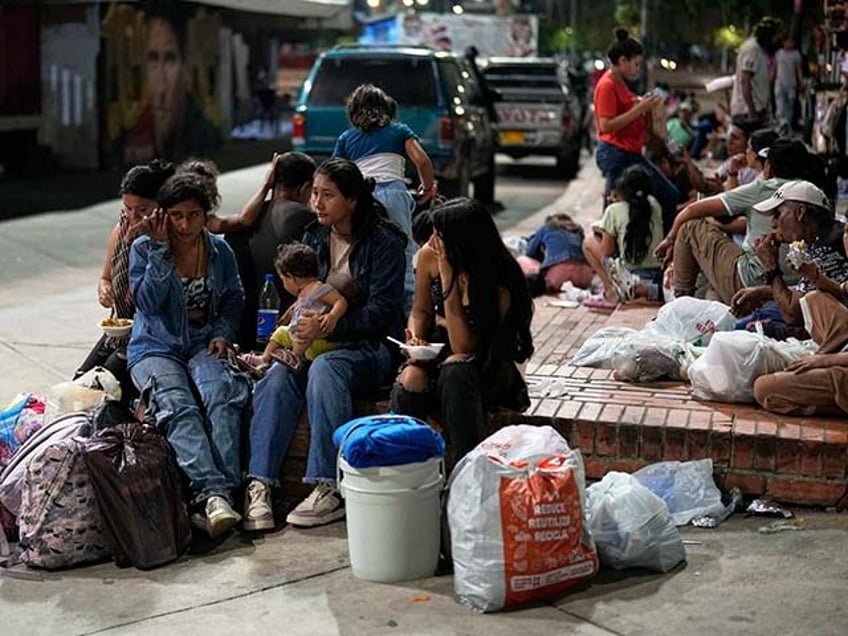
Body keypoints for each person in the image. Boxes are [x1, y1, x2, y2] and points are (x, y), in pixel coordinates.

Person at [243, 159, 405, 532]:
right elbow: (304, 295)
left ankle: (327, 486)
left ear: (352, 200)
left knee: (325, 368)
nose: (317, 202)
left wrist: (327, 330)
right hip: (317, 343)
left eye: (328, 195)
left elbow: (382, 314)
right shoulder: (314, 236)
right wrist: (296, 330)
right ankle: (260, 484)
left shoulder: (384, 243)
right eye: (314, 193)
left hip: (369, 347)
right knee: (279, 374)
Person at [127, 171, 250, 539]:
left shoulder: (219, 250)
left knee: (221, 394)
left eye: (193, 215)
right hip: (154, 346)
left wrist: (223, 333)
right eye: (177, 215)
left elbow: (233, 298)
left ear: (205, 215)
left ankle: (222, 496)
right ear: (164, 215)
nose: (185, 224)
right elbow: (147, 303)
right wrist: (162, 251)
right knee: (177, 405)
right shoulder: (144, 249)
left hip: (202, 340)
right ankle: (213, 495)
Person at [390, 197, 534, 463]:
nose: (433, 241)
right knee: (411, 377)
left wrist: (448, 279)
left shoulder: (499, 277)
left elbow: (464, 347)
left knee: (456, 369)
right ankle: (402, 466)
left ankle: (465, 469)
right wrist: (415, 338)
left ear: (463, 242)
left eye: (439, 235)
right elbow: (420, 310)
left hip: (488, 365)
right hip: (442, 355)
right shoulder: (428, 256)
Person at [654, 139, 825, 306]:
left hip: (757, 280)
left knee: (689, 228)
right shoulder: (814, 193)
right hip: (797, 285)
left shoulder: (764, 188)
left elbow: (692, 210)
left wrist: (669, 240)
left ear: (769, 168)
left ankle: (679, 307)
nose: (773, 223)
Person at [75, 159, 176, 406]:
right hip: (118, 329)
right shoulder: (121, 229)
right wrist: (105, 290)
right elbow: (105, 277)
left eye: (142, 210)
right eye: (128, 209)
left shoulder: (170, 240)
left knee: (105, 386)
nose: (133, 217)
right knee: (79, 383)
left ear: (160, 206)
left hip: (149, 335)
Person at [333, 83, 436, 309]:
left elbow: (336, 172)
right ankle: (409, 306)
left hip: (362, 199)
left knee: (365, 249)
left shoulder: (346, 138)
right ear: (387, 108)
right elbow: (422, 160)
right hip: (394, 194)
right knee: (403, 249)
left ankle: (371, 303)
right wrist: (427, 187)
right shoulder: (400, 131)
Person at [207, 151, 316, 351]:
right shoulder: (307, 219)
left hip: (240, 332)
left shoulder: (241, 221)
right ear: (306, 188)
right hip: (287, 334)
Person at [730, 180, 848, 331]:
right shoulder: (819, 240)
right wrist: (762, 292)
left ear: (800, 212)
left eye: (777, 214)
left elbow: (793, 314)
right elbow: (811, 290)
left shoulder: (828, 247)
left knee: (746, 328)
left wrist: (771, 267)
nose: (773, 224)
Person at [593, 28, 679, 233]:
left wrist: (643, 105)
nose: (637, 69)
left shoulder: (619, 83)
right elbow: (606, 125)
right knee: (613, 208)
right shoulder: (607, 85)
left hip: (629, 152)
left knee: (666, 196)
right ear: (622, 61)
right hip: (616, 153)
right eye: (636, 63)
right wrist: (639, 108)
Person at [122, 0, 219, 163]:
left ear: (185, 69)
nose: (161, 88)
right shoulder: (135, 130)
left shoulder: (203, 136)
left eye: (170, 60)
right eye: (152, 60)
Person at [240, 242, 347, 372]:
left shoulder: (319, 289)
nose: (284, 284)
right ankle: (263, 359)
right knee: (280, 333)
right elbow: (292, 310)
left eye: (283, 280)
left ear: (291, 278)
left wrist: (332, 316)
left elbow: (340, 301)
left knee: (304, 331)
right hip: (298, 336)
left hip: (317, 339)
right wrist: (281, 322)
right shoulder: (302, 294)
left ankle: (294, 357)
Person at [582, 166, 665, 308]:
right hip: (656, 275)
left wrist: (605, 231)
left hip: (629, 274)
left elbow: (606, 252)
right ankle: (648, 292)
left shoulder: (613, 210)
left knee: (588, 242)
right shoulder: (655, 205)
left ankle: (612, 292)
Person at [518, 213, 594, 296]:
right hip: (585, 277)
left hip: (560, 277)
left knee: (521, 259)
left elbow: (530, 252)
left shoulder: (546, 228)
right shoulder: (578, 230)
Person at [730, 17, 781, 127]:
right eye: (774, 36)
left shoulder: (760, 49)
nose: (776, 39)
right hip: (747, 111)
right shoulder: (753, 49)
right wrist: (751, 110)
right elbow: (745, 81)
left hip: (756, 108)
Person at [773, 36, 803, 133]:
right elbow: (775, 68)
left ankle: (788, 125)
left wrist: (800, 82)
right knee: (780, 105)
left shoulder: (796, 55)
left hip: (791, 84)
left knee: (790, 105)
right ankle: (781, 124)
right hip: (780, 83)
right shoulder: (779, 54)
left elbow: (798, 70)